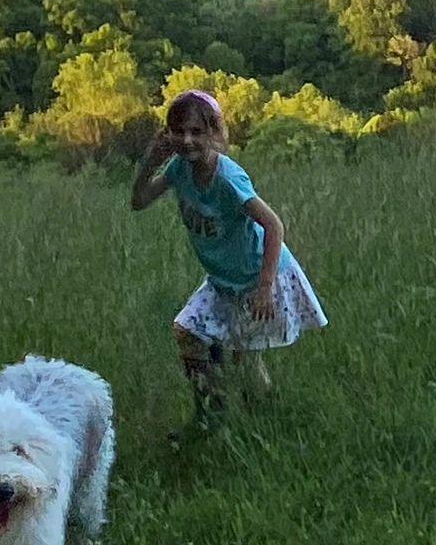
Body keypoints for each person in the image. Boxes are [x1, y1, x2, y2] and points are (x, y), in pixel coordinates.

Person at [131, 88, 327, 432]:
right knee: (187, 331)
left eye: (197, 131)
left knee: (244, 357)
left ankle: (263, 420)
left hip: (256, 276)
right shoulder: (179, 168)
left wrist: (265, 288)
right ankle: (212, 411)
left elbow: (273, 225)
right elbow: (139, 200)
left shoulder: (226, 177)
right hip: (222, 280)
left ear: (213, 133)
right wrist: (151, 160)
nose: (188, 140)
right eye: (180, 131)